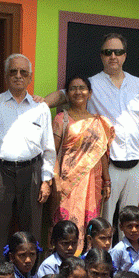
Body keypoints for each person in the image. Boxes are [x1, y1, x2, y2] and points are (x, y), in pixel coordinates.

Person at [45, 33, 139, 226]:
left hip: (136, 164)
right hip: (108, 165)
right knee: (104, 221)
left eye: (118, 52)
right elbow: (63, 95)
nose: (113, 56)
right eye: (108, 52)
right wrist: (39, 105)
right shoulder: (91, 84)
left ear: (125, 55)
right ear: (101, 56)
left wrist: (134, 140)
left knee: (130, 221)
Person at [0, 54, 56, 261]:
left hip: (32, 171)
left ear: (30, 77)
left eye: (23, 72)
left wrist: (46, 180)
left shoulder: (40, 108)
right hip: (0, 171)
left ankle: (32, 275)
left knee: (32, 228)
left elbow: (48, 148)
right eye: (13, 71)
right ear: (6, 76)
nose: (18, 76)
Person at [52, 75, 114, 253]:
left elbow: (102, 154)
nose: (78, 92)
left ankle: (89, 260)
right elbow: (52, 152)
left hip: (93, 182)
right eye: (73, 88)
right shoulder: (61, 119)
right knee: (66, 223)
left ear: (90, 93)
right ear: (67, 93)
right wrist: (56, 180)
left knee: (91, 224)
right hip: (68, 183)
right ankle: (66, 260)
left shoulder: (99, 121)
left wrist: (107, 181)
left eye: (82, 88)